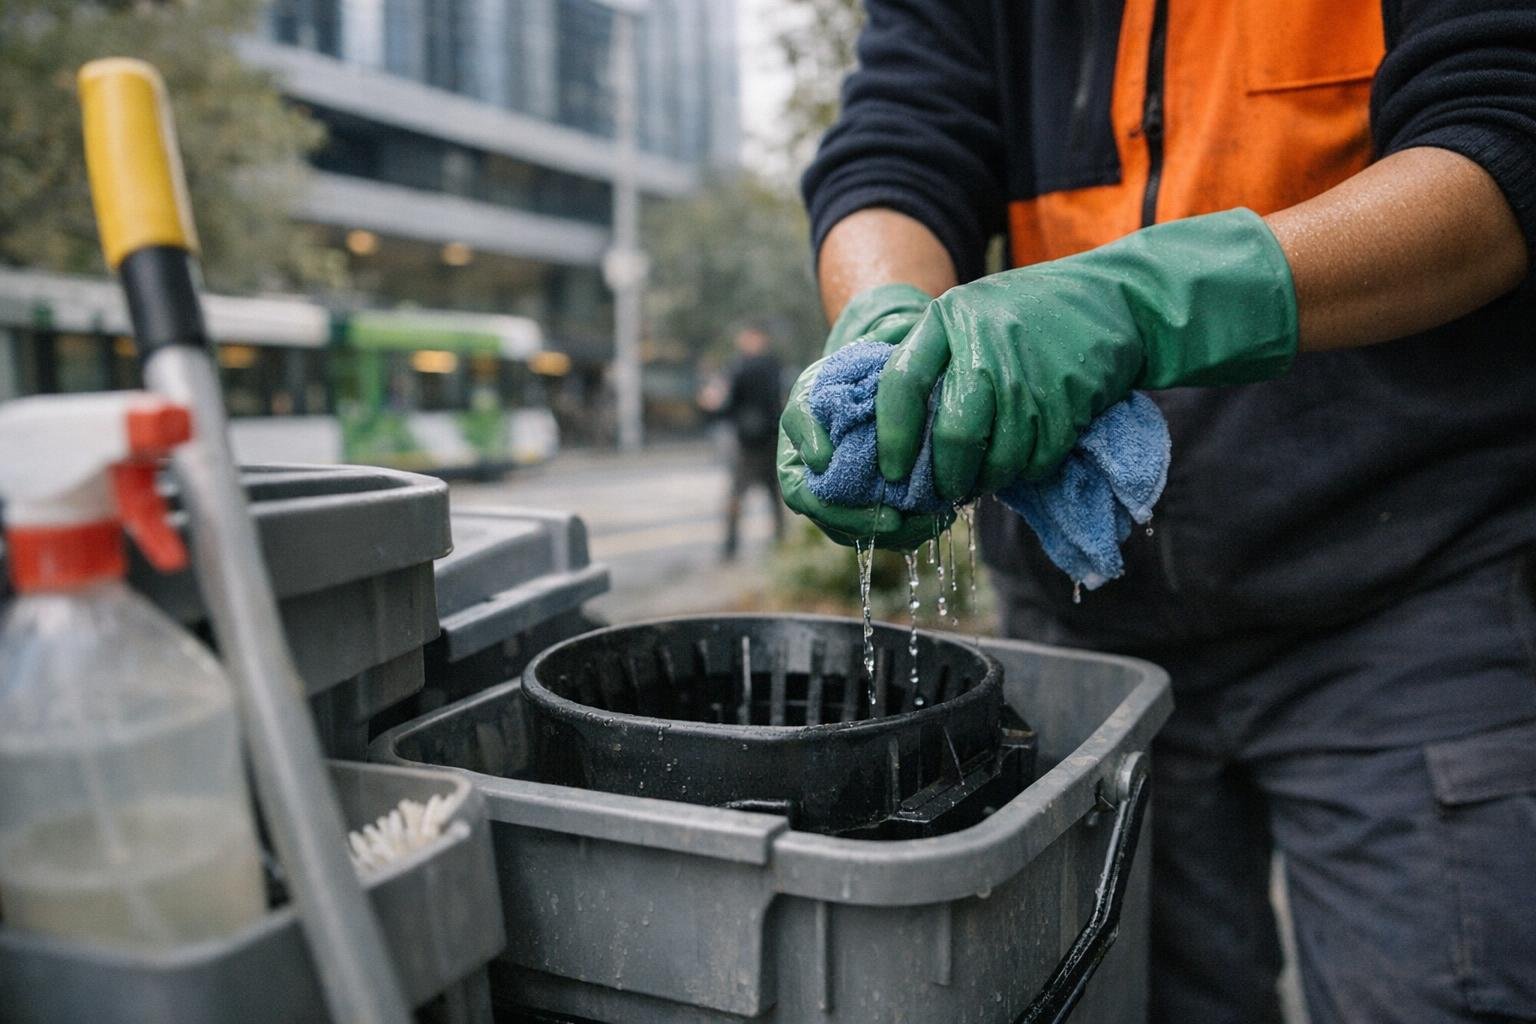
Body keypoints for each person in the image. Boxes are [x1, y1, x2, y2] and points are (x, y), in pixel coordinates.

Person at [777, 3, 1536, 1022]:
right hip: (1089, 625)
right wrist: (886, 325)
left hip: (1409, 595)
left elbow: (1502, 134)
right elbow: (896, 149)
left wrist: (1146, 302)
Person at [701, 324, 786, 559]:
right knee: (775, 497)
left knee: (737, 496)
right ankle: (781, 544)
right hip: (771, 440)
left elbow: (725, 405)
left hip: (748, 444)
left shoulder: (739, 367)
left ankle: (731, 546)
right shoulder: (773, 366)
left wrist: (710, 406)